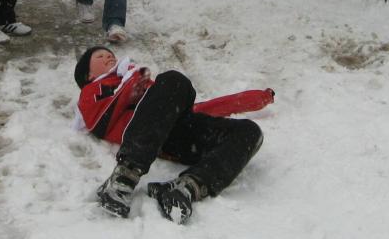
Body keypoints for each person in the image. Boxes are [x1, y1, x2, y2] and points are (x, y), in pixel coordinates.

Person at [74, 46, 271, 224]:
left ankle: (188, 187)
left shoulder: (135, 79)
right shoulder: (93, 90)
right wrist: (132, 82)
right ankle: (124, 176)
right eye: (100, 56)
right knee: (173, 79)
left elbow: (192, 107)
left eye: (110, 54)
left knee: (249, 131)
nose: (109, 56)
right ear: (88, 74)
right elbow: (100, 122)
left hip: (176, 129)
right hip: (147, 134)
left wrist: (250, 100)